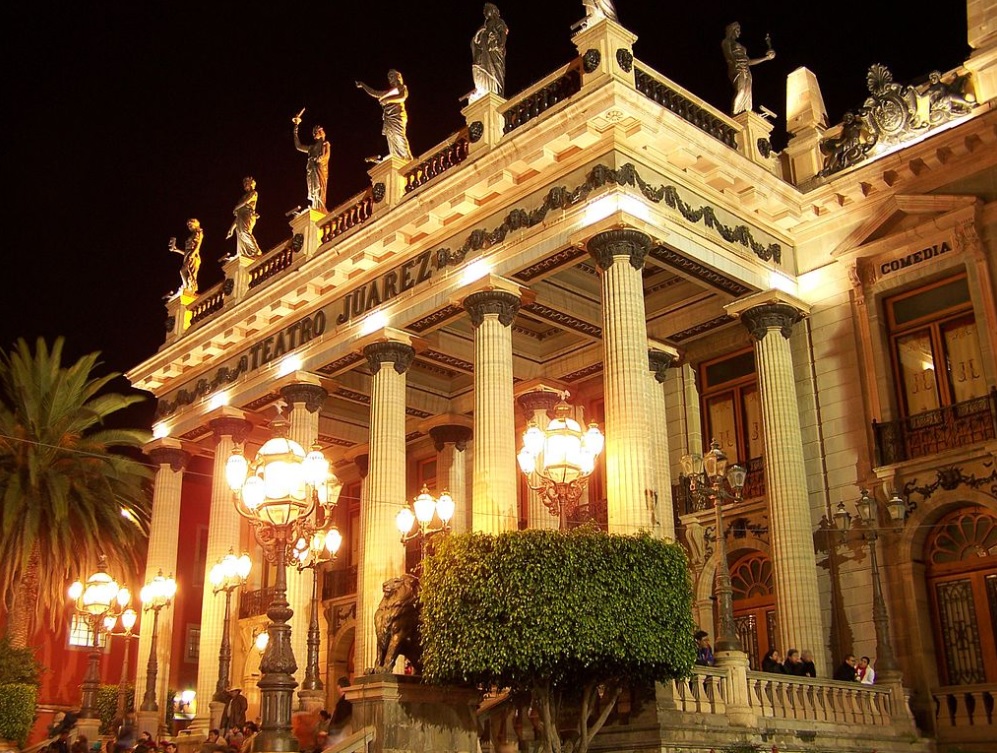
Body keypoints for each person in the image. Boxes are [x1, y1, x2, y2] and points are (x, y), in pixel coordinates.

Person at [356, 70, 413, 161]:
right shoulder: (389, 92)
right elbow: (375, 93)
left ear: (398, 77)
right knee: (391, 136)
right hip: (389, 117)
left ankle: (407, 157)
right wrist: (363, 85)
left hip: (397, 115)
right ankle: (396, 156)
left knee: (399, 135)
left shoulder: (401, 87)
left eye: (392, 76)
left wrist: (388, 100)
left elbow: (402, 97)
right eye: (389, 77)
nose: (390, 79)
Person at [721, 21, 775, 115]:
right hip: (737, 68)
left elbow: (748, 62)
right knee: (741, 90)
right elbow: (728, 54)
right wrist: (735, 63)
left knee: (747, 92)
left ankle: (746, 112)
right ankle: (735, 113)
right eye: (737, 29)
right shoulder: (727, 41)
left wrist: (766, 58)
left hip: (746, 69)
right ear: (732, 30)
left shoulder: (740, 47)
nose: (739, 32)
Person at [292, 116, 331, 213]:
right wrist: (295, 129)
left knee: (320, 188)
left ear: (321, 132)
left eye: (316, 132)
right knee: (313, 189)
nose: (314, 134)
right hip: (311, 170)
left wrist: (320, 159)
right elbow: (298, 146)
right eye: (313, 132)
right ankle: (315, 205)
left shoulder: (325, 144)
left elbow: (326, 156)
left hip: (320, 169)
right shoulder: (311, 148)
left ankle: (320, 208)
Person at [471, 3, 508, 98]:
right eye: (484, 11)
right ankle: (485, 88)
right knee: (481, 66)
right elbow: (475, 42)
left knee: (495, 70)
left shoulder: (499, 22)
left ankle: (496, 89)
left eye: (487, 9)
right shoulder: (483, 27)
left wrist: (501, 44)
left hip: (494, 50)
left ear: (493, 11)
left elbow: (502, 33)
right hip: (484, 53)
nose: (485, 12)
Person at [225, 178, 262, 259]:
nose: (245, 185)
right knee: (240, 233)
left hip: (248, 214)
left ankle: (256, 251)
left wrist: (236, 208)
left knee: (244, 231)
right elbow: (238, 217)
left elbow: (246, 202)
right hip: (241, 215)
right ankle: (244, 254)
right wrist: (231, 229)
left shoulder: (253, 193)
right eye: (244, 184)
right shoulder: (242, 198)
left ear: (251, 183)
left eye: (246, 183)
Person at [168, 218, 203, 295]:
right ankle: (186, 287)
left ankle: (190, 288)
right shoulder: (192, 235)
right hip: (189, 256)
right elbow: (186, 253)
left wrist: (193, 254)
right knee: (184, 271)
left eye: (190, 224)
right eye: (188, 225)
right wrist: (177, 250)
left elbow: (198, 246)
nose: (189, 226)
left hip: (194, 256)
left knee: (189, 273)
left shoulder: (199, 233)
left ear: (195, 224)